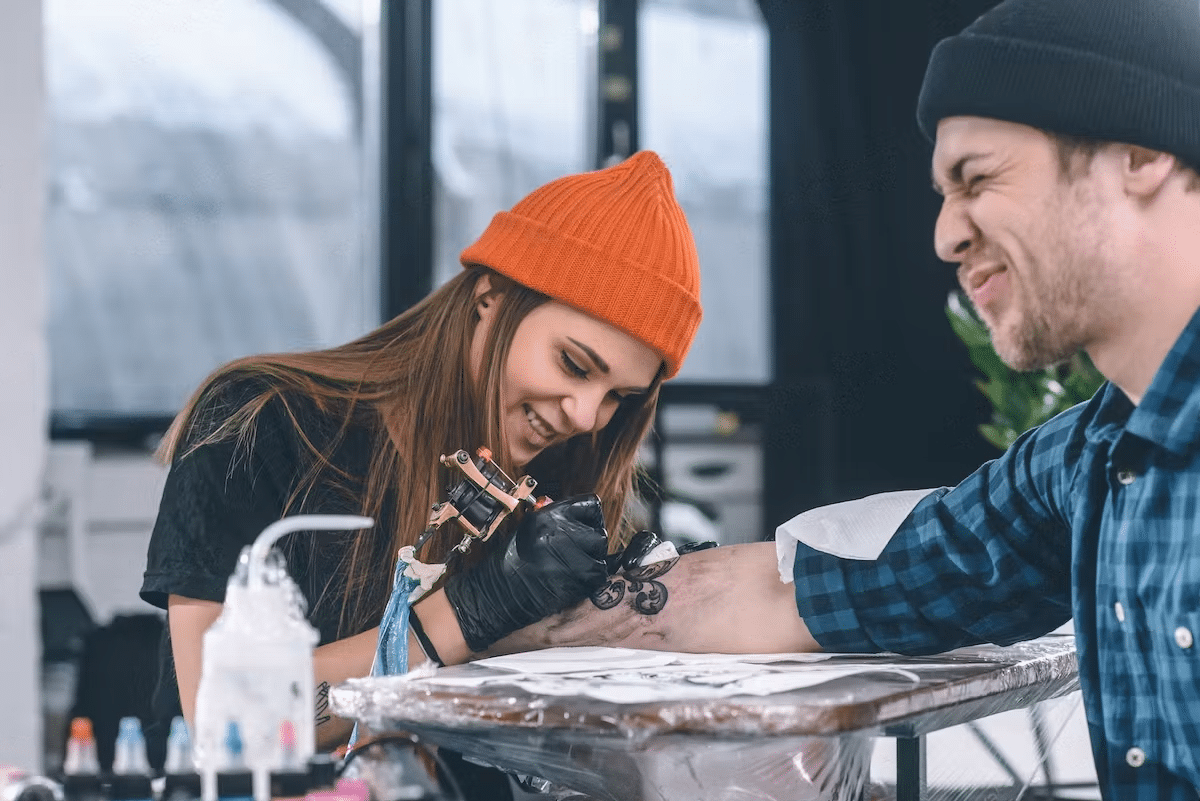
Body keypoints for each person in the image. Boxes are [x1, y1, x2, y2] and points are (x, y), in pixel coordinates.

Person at [450, 0, 1200, 796]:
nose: (945, 235)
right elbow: (793, 588)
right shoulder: (1086, 466)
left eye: (978, 178)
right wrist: (485, 630)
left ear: (1139, 155)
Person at [138, 150, 703, 754]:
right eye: (572, 363)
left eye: (618, 395)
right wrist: (468, 613)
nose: (586, 417)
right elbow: (225, 728)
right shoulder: (259, 425)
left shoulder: (551, 493)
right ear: (488, 300)